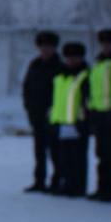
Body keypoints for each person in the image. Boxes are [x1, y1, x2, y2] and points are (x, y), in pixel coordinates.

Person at [86, 28, 111, 201]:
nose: (106, 46)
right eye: (103, 43)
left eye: (109, 43)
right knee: (101, 154)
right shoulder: (99, 63)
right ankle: (102, 187)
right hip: (99, 113)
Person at [48, 41, 89, 197]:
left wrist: (82, 121)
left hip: (76, 123)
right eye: (69, 57)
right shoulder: (60, 76)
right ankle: (66, 183)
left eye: (75, 57)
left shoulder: (84, 75)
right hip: (60, 121)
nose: (71, 60)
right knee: (62, 157)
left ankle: (77, 187)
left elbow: (86, 101)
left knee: (77, 157)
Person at [23, 30, 62, 193]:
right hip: (37, 116)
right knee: (39, 152)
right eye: (43, 47)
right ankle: (39, 180)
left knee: (56, 152)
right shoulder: (35, 65)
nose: (45, 50)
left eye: (49, 46)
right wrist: (29, 108)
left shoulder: (60, 67)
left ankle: (57, 181)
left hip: (54, 117)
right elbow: (27, 88)